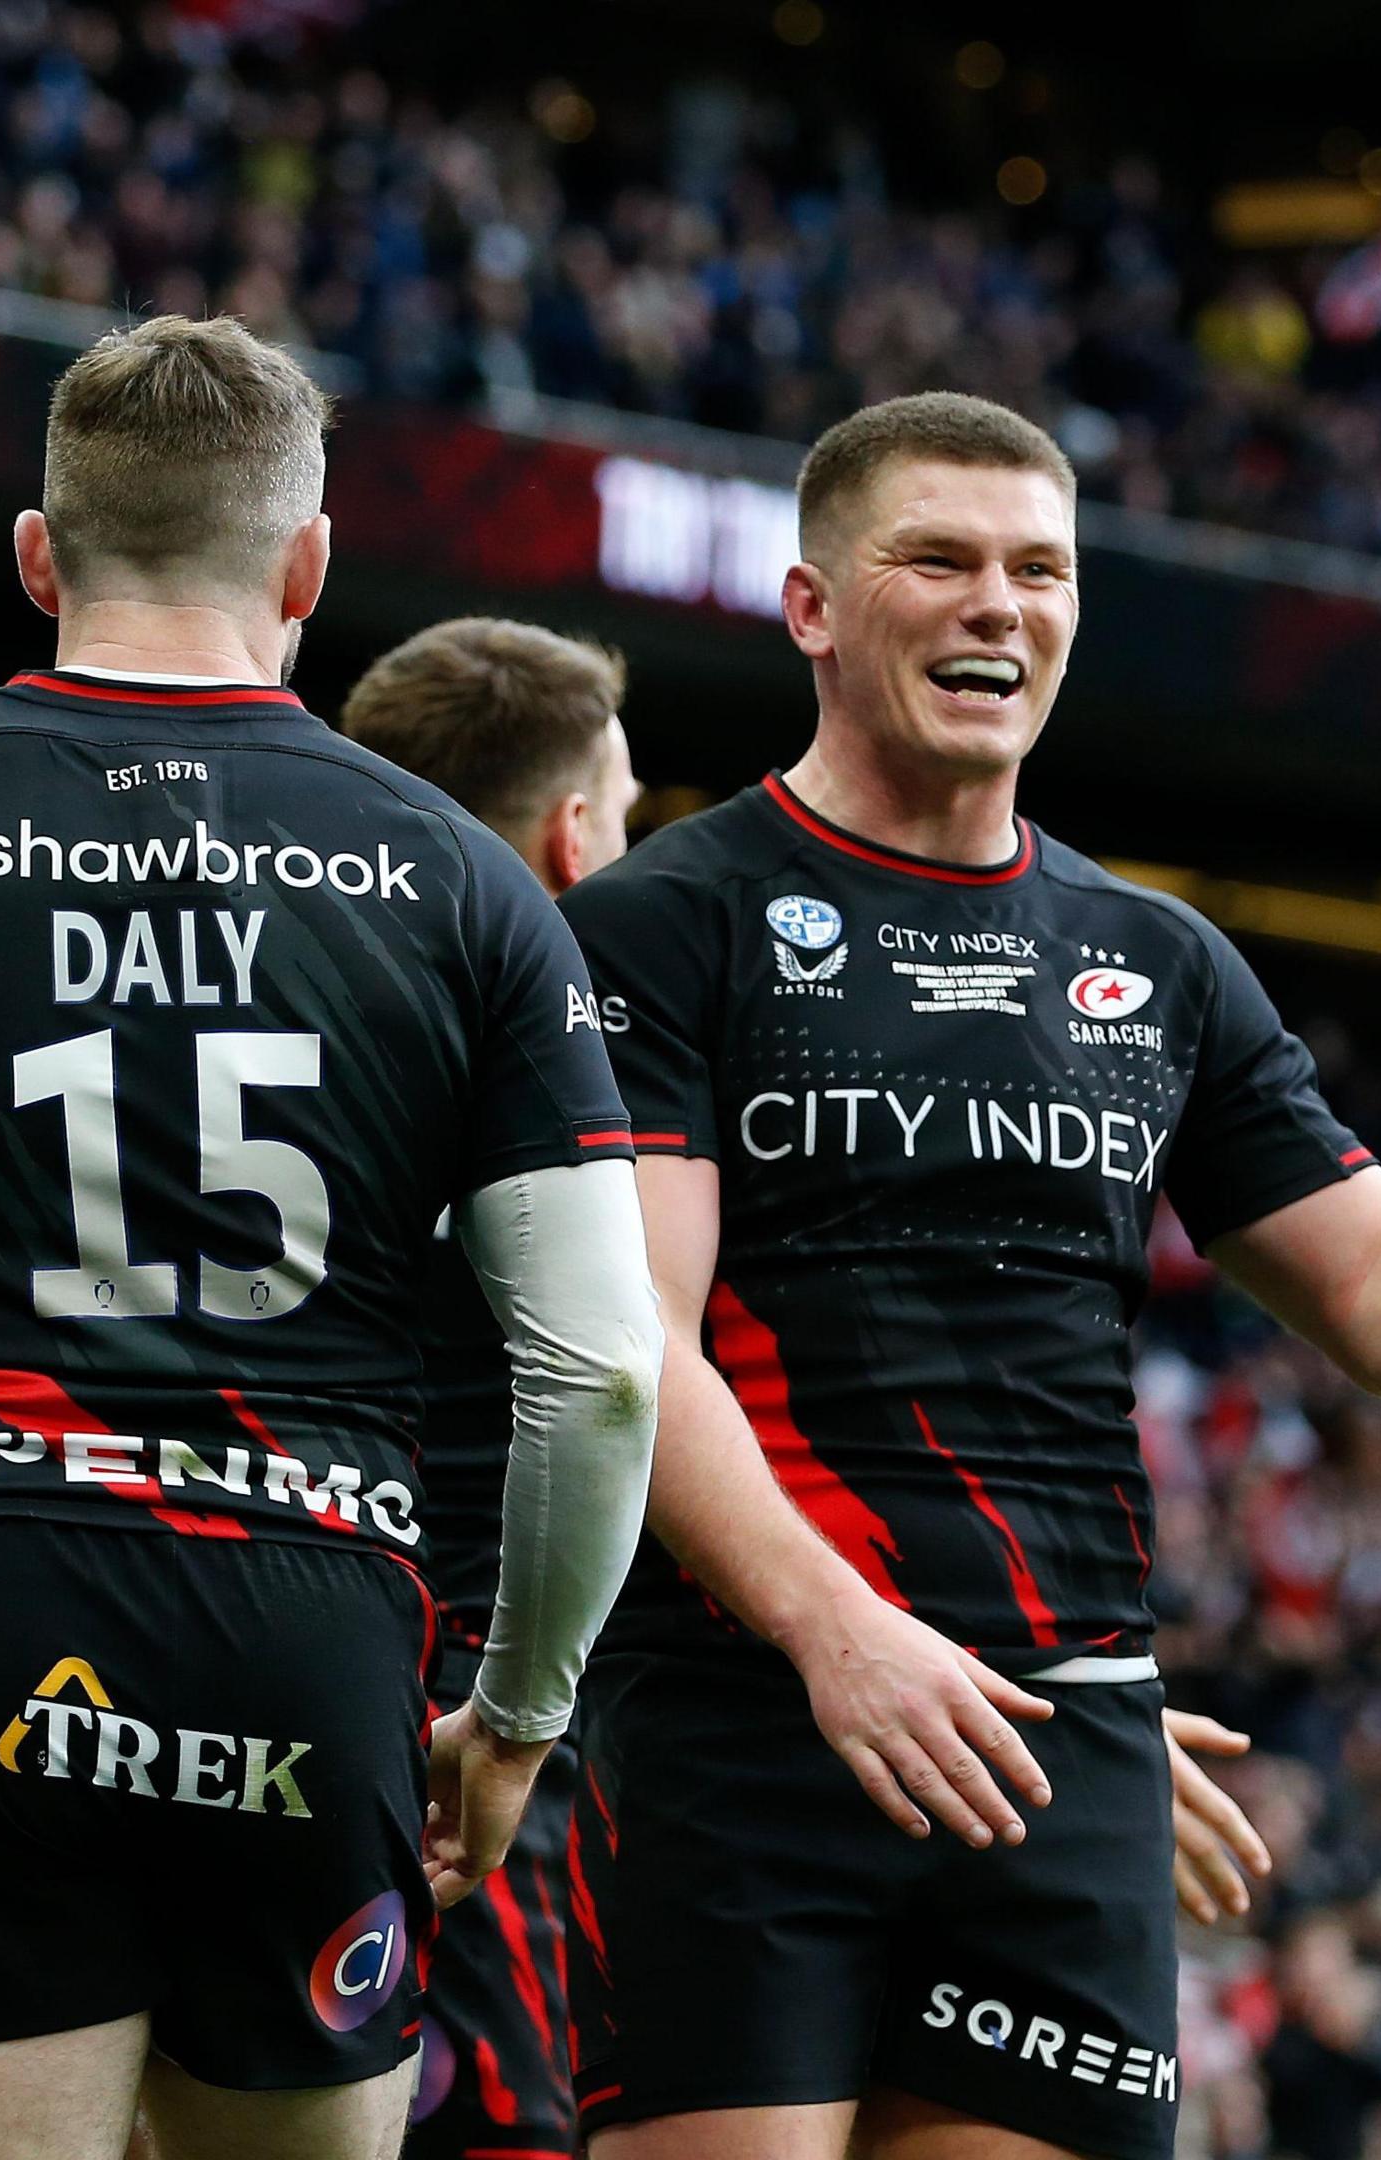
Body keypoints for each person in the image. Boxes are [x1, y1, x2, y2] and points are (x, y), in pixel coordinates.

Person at [558, 390, 1381, 2160]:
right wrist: (838, 1634)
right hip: (753, 1722)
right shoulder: (664, 922)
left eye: (1041, 569)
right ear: (815, 606)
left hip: (1059, 1748)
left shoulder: (1160, 962)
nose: (1001, 605)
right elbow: (633, 1344)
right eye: (940, 559)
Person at [0, 315, 661, 2160]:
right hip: (316, 1616)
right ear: (311, 569)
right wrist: (512, 1721)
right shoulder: (465, 880)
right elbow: (599, 1375)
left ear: (41, 553)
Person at [335, 615, 1286, 2160]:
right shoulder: (565, 1098)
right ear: (578, 839)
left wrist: (1018, 1708)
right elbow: (625, 1412)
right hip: (521, 1749)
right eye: (630, 810)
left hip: (336, 1704)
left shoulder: (326, 1065)